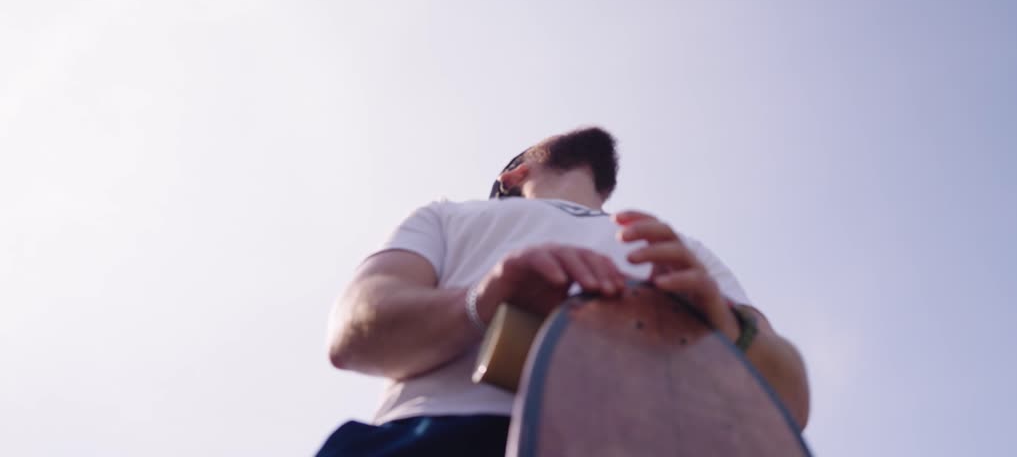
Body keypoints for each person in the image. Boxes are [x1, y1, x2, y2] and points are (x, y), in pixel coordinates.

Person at [317, 126, 810, 456]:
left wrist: (727, 330)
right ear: (512, 175)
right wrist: (483, 299)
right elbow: (352, 331)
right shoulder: (447, 216)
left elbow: (791, 403)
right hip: (439, 435)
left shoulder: (680, 248)